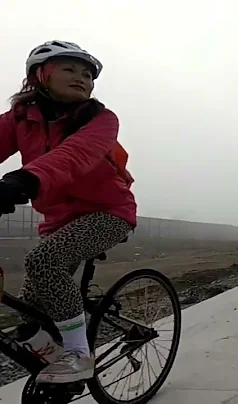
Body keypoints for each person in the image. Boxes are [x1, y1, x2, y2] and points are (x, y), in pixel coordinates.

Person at [0, 40, 136, 384]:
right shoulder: (21, 118)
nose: (82, 79)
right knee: (30, 318)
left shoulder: (101, 119)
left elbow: (74, 155)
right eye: (70, 69)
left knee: (44, 263)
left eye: (88, 74)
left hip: (108, 212)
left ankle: (78, 354)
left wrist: (23, 180)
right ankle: (56, 369)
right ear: (41, 75)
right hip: (59, 219)